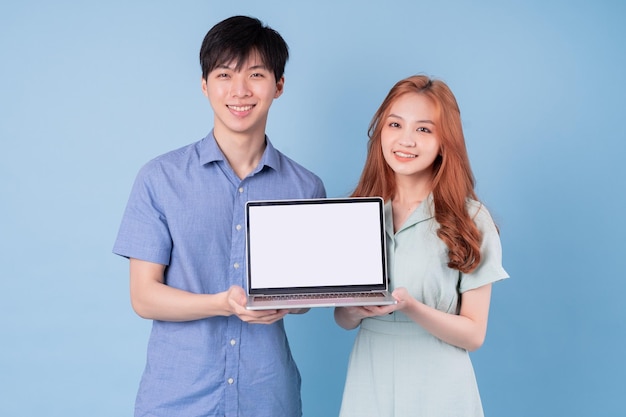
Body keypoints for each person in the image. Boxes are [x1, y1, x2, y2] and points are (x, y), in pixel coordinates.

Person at [113, 15, 325, 417]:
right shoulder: (160, 178)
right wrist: (223, 303)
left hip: (268, 395)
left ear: (279, 85)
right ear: (205, 84)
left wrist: (290, 302)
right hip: (177, 397)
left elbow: (305, 297)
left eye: (256, 74)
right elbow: (144, 296)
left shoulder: (305, 187)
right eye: (225, 74)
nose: (240, 90)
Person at [334, 75, 509, 417]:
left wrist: (412, 307)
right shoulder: (356, 212)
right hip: (369, 379)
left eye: (424, 130)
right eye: (395, 124)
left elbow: (474, 334)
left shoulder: (470, 219)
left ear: (445, 142)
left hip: (440, 388)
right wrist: (354, 310)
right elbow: (343, 317)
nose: (405, 140)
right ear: (380, 132)